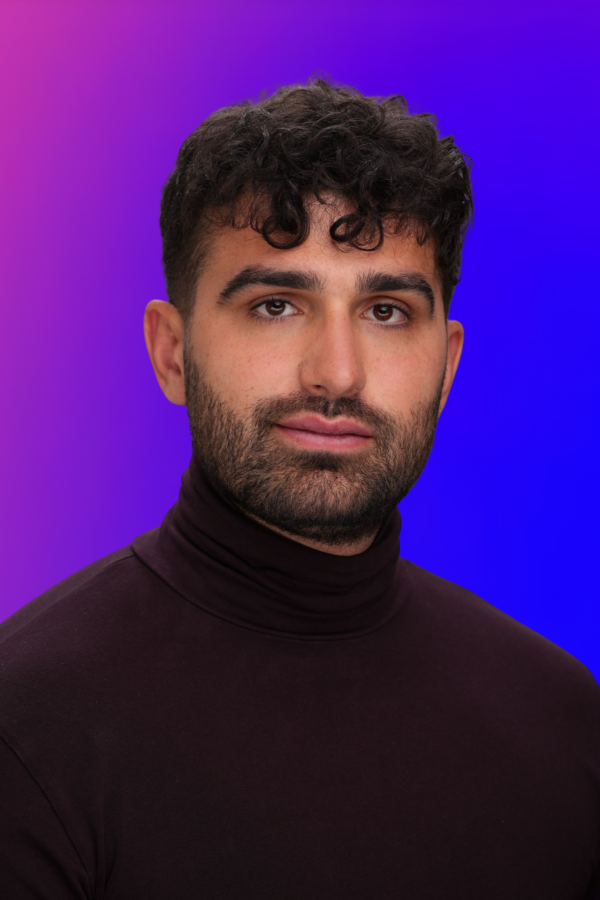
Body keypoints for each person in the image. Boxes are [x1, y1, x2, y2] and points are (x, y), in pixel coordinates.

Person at [0, 77, 598, 899]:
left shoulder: (566, 722)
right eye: (276, 305)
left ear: (447, 363)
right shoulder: (25, 727)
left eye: (386, 311)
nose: (337, 374)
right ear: (172, 353)